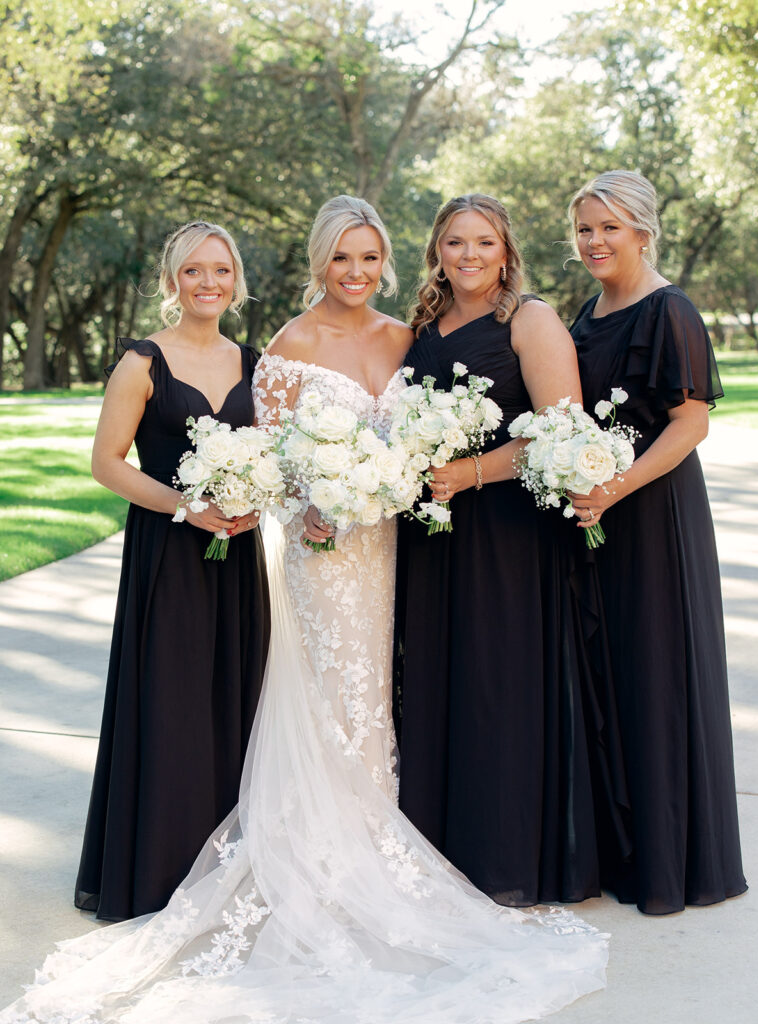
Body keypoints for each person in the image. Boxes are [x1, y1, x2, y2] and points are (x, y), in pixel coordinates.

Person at [1, 197, 607, 1024]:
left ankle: (387, 838)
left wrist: (403, 478)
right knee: (333, 696)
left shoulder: (409, 339)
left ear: (387, 261)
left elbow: (433, 438)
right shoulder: (283, 350)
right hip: (325, 558)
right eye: (339, 258)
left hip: (405, 552)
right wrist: (307, 508)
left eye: (367, 258)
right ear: (318, 261)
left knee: (394, 694)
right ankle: (324, 858)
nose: (353, 273)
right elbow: (276, 462)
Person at [395, 193, 624, 907]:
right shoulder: (424, 324)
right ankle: (442, 852)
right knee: (436, 677)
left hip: (507, 536)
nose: (468, 256)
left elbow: (560, 432)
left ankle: (510, 856)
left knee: (499, 684)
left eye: (484, 244)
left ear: (506, 252)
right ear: (437, 250)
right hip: (432, 533)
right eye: (455, 243)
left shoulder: (531, 319)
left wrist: (468, 471)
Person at [74, 221, 270, 921]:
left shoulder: (256, 362)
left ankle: (225, 865)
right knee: (171, 701)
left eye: (220, 269)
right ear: (172, 282)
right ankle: (157, 865)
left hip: (235, 557)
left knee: (231, 697)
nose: (208, 282)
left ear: (236, 280)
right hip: (168, 556)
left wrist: (253, 501)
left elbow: (274, 456)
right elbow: (106, 464)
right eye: (193, 271)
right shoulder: (141, 362)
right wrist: (187, 508)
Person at [567, 169, 747, 914]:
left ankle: (672, 862)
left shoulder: (670, 310)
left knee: (656, 674)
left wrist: (616, 486)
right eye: (584, 228)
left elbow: (690, 422)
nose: (596, 241)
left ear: (643, 229)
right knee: (608, 672)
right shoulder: (588, 309)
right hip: (593, 517)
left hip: (652, 514)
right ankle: (619, 847)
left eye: (610, 226)